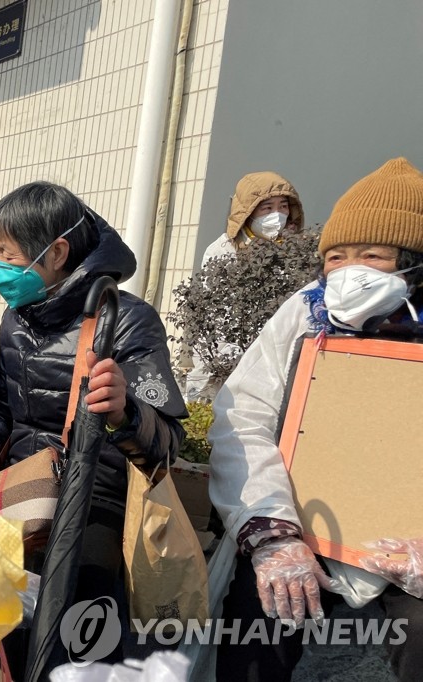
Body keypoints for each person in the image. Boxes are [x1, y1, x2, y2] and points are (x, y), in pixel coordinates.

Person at [0, 181, 187, 670]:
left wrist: (127, 412)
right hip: (23, 483)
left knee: (80, 613)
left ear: (57, 251)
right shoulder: (17, 319)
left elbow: (168, 444)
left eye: (8, 255)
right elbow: (2, 405)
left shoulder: (128, 321)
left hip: (95, 498)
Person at [208, 157, 423, 681]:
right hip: (307, 527)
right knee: (256, 624)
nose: (350, 272)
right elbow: (244, 418)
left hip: (409, 548)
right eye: (336, 257)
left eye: (373, 255)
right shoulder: (305, 313)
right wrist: (273, 536)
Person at [186, 171, 306, 400]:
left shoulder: (295, 254)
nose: (277, 215)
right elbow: (211, 316)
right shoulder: (223, 251)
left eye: (283, 207)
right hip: (227, 358)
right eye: (267, 208)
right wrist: (221, 358)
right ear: (248, 211)